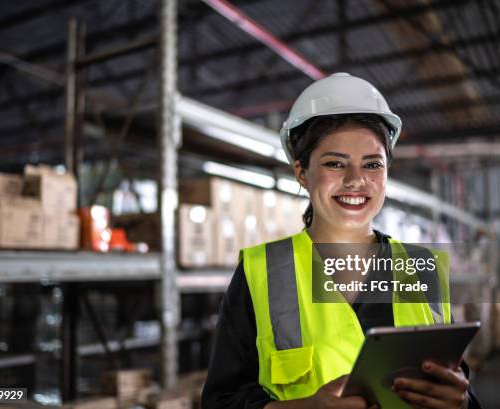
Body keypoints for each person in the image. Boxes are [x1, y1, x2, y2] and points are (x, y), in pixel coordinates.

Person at [203, 73, 481, 409]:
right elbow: (221, 402)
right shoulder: (262, 272)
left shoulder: (420, 269)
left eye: (372, 164)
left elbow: (454, 387)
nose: (356, 180)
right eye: (335, 163)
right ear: (302, 173)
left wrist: (462, 402)